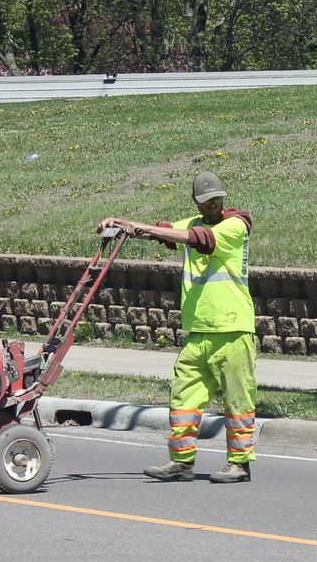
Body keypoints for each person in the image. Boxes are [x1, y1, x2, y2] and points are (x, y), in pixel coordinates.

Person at [97, 171, 257, 483]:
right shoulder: (194, 223)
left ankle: (239, 464)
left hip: (232, 329)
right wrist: (121, 224)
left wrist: (142, 228)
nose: (212, 205)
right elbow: (164, 232)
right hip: (197, 331)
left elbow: (200, 241)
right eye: (206, 201)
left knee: (238, 401)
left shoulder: (236, 225)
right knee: (183, 398)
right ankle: (181, 462)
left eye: (217, 199)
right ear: (197, 203)